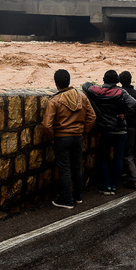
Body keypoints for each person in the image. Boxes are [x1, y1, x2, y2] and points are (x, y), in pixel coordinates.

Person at [42, 69, 96, 209]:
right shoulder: (82, 96)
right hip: (77, 137)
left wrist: (52, 138)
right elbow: (92, 117)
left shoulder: (54, 101)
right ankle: (78, 196)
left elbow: (47, 125)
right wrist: (84, 132)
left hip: (61, 138)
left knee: (65, 169)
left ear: (56, 84)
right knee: (77, 166)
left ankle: (67, 199)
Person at [83, 70, 136, 195]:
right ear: (117, 81)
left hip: (106, 130)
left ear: (103, 79)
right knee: (118, 158)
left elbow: (86, 85)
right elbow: (134, 104)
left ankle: (107, 185)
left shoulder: (98, 91)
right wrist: (125, 114)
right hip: (120, 130)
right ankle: (114, 185)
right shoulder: (121, 92)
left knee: (104, 158)